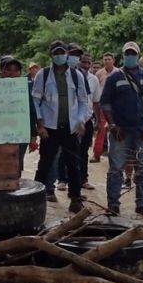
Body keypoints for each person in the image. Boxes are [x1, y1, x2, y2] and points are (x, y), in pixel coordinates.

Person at [100, 41, 143, 218]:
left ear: (138, 56)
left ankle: (142, 204)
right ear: (123, 56)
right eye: (127, 54)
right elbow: (105, 103)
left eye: (133, 54)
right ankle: (113, 205)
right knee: (116, 168)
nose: (130, 57)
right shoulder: (114, 78)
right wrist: (112, 126)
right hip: (121, 131)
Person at [32, 40, 90, 213]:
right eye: (56, 53)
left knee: (74, 164)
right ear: (51, 55)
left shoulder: (75, 75)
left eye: (62, 52)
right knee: (45, 163)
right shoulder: (43, 75)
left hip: (70, 128)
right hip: (49, 127)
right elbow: (36, 101)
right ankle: (36, 200)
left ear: (66, 54)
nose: (59, 56)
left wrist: (80, 120)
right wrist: (40, 125)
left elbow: (82, 101)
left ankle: (75, 199)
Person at [57, 46, 99, 191]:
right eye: (83, 62)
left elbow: (94, 101)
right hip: (70, 120)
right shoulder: (70, 75)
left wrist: (97, 120)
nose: (86, 65)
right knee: (66, 150)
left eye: (89, 63)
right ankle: (62, 179)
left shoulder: (93, 80)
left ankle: (83, 179)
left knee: (83, 151)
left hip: (86, 120)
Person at [0, 55, 39, 169]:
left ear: (20, 72)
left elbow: (32, 111)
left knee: (17, 162)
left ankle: (16, 183)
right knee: (0, 161)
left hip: (21, 133)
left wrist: (33, 135)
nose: (12, 73)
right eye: (8, 70)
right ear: (2, 71)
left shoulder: (27, 88)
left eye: (16, 70)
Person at [91, 51, 117, 163]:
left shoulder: (118, 73)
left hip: (115, 106)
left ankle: (116, 156)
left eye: (109, 59)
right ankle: (96, 155)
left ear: (113, 61)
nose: (107, 61)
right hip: (102, 106)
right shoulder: (98, 74)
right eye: (105, 59)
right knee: (101, 130)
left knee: (115, 129)